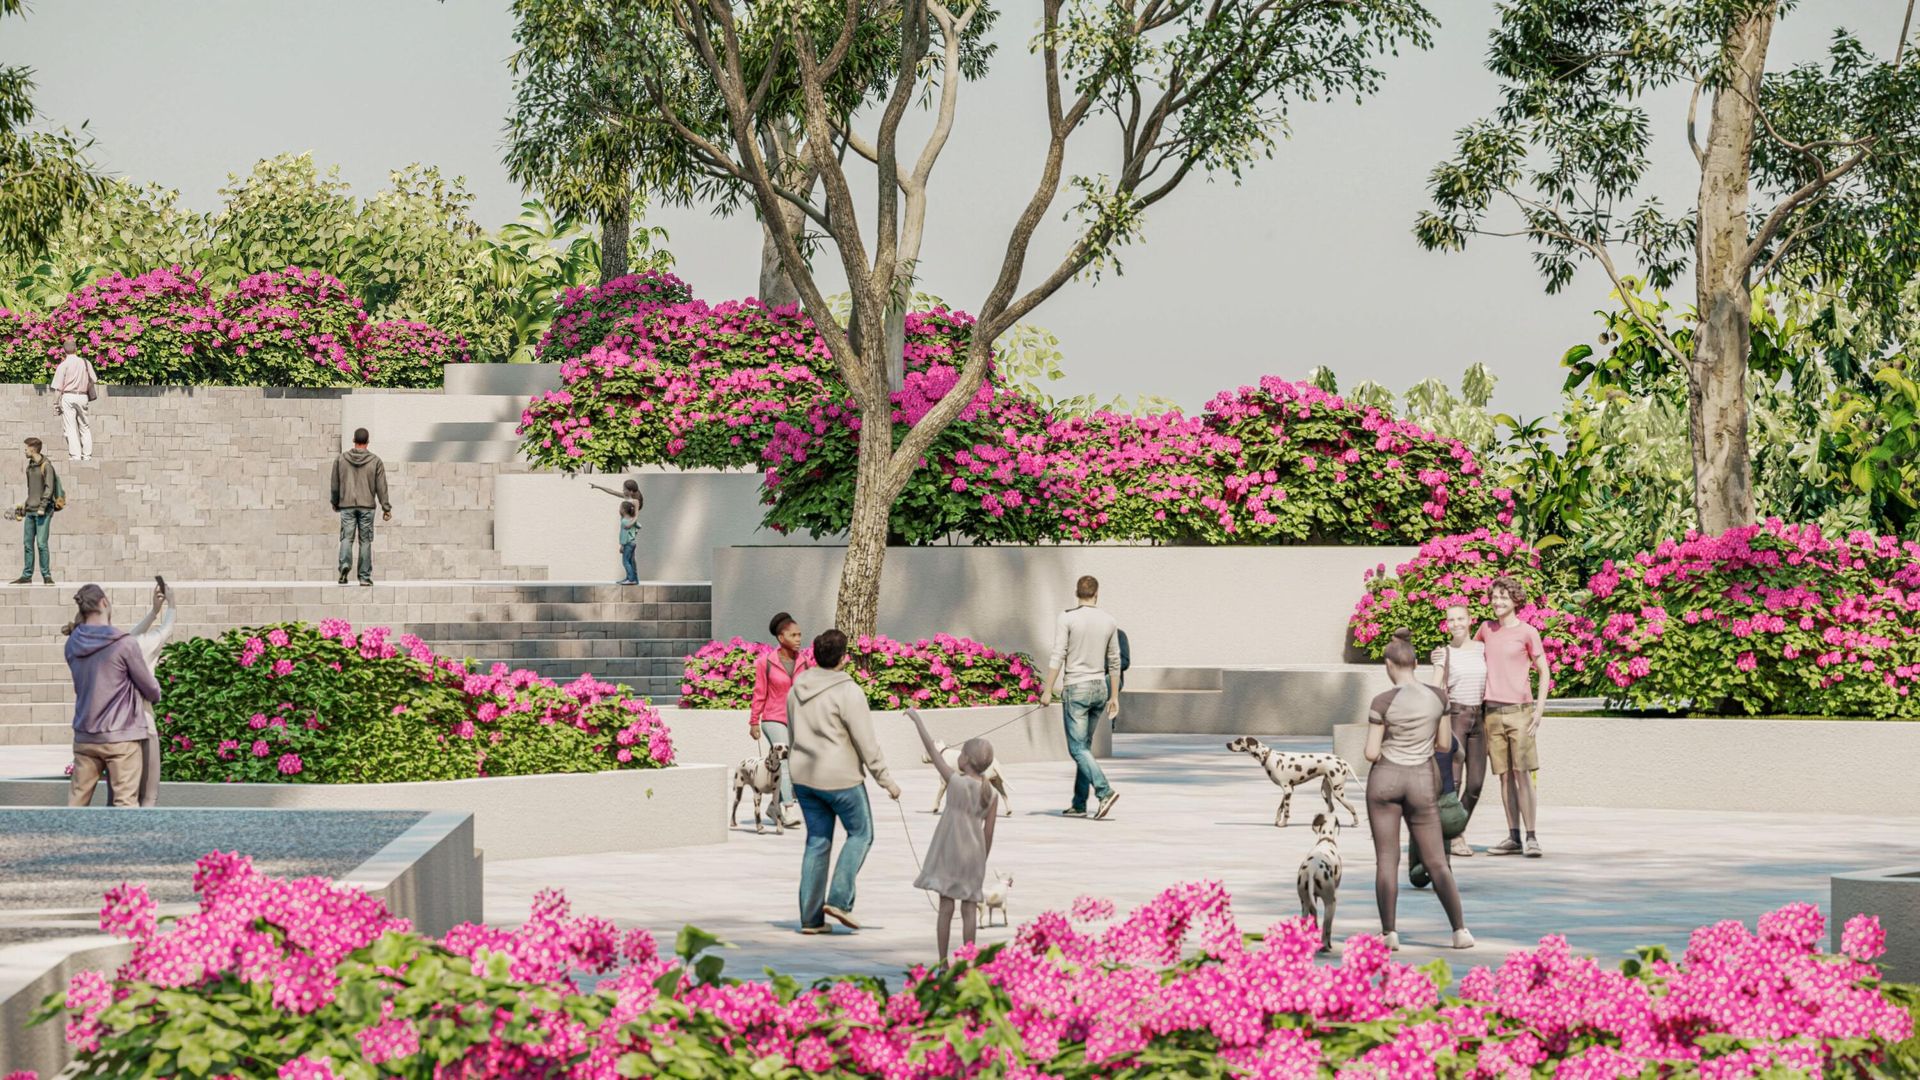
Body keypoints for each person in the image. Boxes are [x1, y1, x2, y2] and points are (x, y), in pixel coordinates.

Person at [1365, 628, 1474, 951]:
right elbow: (1443, 744)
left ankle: (1389, 934)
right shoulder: (1438, 698)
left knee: (1387, 859)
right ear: (1414, 663)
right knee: (1437, 861)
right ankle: (1459, 931)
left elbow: (1371, 752)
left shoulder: (1382, 701)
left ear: (1389, 664)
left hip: (1385, 779)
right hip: (1422, 782)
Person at [787, 628, 900, 934]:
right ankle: (838, 899)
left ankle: (811, 920)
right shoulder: (849, 691)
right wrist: (886, 781)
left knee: (817, 841)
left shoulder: (797, 687)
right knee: (861, 833)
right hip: (840, 778)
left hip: (803, 776)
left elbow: (792, 732)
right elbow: (866, 742)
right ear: (843, 658)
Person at [905, 708, 997, 964]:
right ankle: (969, 961)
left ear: (965, 759)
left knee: (945, 909)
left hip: (949, 853)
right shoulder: (991, 794)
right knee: (969, 911)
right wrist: (983, 859)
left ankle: (942, 960)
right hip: (973, 857)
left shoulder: (955, 782)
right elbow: (988, 833)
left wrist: (917, 721)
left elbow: (934, 754)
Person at [63, 584, 164, 808]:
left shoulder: (72, 644)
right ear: (105, 603)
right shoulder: (123, 644)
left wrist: (153, 612)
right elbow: (149, 687)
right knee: (125, 805)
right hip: (121, 738)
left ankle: (66, 841)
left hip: (85, 737)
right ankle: (122, 845)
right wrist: (156, 691)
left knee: (76, 804)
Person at [1477, 576, 1551, 858]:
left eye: (1503, 597)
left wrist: (1539, 709)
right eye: (1494, 597)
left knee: (1523, 774)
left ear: (1515, 600)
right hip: (1492, 712)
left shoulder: (1528, 632)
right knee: (1504, 777)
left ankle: (1532, 837)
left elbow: (1544, 671)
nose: (1497, 601)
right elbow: (1470, 657)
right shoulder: (1485, 629)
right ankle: (1513, 837)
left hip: (1520, 712)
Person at [1039, 574, 1121, 820]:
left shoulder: (1067, 618)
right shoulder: (1109, 621)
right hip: (1100, 688)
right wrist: (1114, 696)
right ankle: (1078, 803)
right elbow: (1114, 660)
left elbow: (1058, 654)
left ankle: (1104, 791)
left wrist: (1047, 690)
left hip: (1077, 687)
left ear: (1077, 593)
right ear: (1097, 593)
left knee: (1077, 749)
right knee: (1084, 747)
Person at [1430, 604, 1489, 857]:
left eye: (1460, 619)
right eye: (1451, 620)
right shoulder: (1443, 653)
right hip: (1455, 715)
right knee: (1452, 782)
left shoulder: (1482, 650)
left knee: (1475, 784)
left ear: (1469, 620)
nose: (1456, 624)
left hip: (1480, 717)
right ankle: (1455, 837)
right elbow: (1434, 688)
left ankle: (1453, 827)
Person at [749, 612, 810, 828]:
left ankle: (773, 807)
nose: (798, 639)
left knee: (795, 763)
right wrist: (754, 721)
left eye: (800, 635)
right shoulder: (764, 662)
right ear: (780, 637)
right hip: (773, 718)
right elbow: (759, 693)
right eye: (793, 635)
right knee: (784, 761)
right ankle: (788, 809)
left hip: (797, 720)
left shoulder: (805, 662)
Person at [127, 579, 176, 807]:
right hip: (145, 725)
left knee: (126, 795)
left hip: (120, 729)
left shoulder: (120, 651)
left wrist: (153, 612)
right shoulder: (146, 646)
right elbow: (166, 631)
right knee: (149, 795)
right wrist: (172, 605)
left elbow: (127, 638)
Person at [330, 427, 391, 586]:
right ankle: (364, 577)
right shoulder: (376, 461)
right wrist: (386, 507)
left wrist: (335, 502)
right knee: (365, 541)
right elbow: (381, 487)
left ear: (354, 441)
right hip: (367, 507)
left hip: (347, 505)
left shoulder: (341, 459)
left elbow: (335, 485)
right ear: (367, 442)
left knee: (346, 538)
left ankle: (344, 566)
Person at [13, 437, 61, 585]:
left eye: (26, 448)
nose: (25, 451)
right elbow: (32, 491)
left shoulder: (46, 466)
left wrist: (42, 506)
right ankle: (27, 576)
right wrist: (25, 505)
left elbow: (49, 488)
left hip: (43, 512)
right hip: (30, 511)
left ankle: (46, 576)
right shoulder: (30, 467)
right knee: (27, 544)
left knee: (41, 544)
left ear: (33, 449)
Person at [51, 335, 100, 462]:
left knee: (70, 427)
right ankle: (87, 455)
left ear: (64, 351)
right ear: (76, 349)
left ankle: (75, 456)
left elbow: (58, 388)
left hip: (68, 396)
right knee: (85, 426)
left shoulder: (63, 365)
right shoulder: (85, 362)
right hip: (83, 396)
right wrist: (85, 385)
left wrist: (55, 403)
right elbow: (94, 379)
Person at [616, 500, 641, 586]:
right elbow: (639, 526)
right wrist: (634, 532)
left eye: (620, 508)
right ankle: (631, 578)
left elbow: (624, 534)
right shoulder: (632, 520)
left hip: (628, 543)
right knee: (630, 561)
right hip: (633, 543)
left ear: (623, 510)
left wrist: (622, 545)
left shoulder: (624, 521)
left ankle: (631, 579)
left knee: (625, 561)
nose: (619, 509)